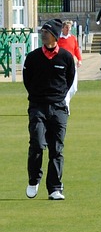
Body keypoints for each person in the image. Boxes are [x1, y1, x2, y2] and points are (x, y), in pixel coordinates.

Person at [23, 19, 77, 200]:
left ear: (54, 35)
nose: (43, 34)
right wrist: (39, 98)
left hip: (59, 108)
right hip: (38, 106)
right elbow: (27, 81)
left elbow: (69, 81)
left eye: (46, 31)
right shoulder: (32, 57)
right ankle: (33, 180)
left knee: (56, 149)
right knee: (37, 144)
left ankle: (55, 188)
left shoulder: (66, 57)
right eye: (42, 31)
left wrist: (59, 98)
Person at [57, 21, 83, 107]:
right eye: (66, 28)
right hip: (61, 65)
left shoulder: (73, 38)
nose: (68, 30)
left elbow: (76, 49)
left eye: (69, 28)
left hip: (71, 65)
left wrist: (79, 59)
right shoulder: (58, 39)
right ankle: (66, 106)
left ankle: (64, 102)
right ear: (62, 28)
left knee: (74, 88)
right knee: (65, 86)